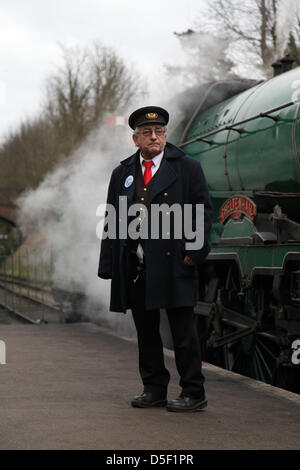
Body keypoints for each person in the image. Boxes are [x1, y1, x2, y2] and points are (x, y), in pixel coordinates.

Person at [98, 106, 213, 412]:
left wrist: (193, 253)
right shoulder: (122, 173)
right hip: (136, 265)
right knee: (146, 332)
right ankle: (154, 388)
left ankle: (193, 391)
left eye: (159, 132)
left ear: (165, 135)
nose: (154, 137)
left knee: (183, 332)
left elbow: (202, 212)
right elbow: (112, 219)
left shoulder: (187, 167)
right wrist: (109, 264)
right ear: (135, 139)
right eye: (147, 133)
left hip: (175, 263)